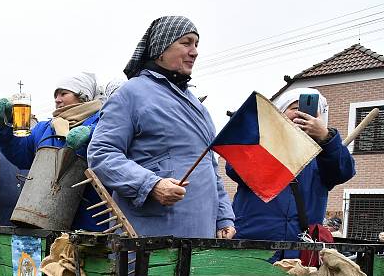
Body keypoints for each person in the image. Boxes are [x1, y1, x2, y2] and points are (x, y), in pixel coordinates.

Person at [88, 16, 235, 239]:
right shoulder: (131, 94)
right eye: (186, 43)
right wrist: (151, 185)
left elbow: (209, 166)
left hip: (201, 234)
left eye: (196, 44)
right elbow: (101, 154)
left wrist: (224, 216)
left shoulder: (198, 107)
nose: (194, 52)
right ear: (160, 49)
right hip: (150, 236)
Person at [228, 88, 355, 252]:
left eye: (310, 112)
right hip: (252, 245)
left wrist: (326, 138)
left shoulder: (324, 155)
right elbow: (234, 168)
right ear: (279, 114)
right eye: (295, 109)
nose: (302, 114)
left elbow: (343, 171)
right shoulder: (262, 144)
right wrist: (276, 139)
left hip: (300, 251)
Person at [0, 72, 104, 230]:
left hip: (90, 222)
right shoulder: (45, 128)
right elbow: (20, 155)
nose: (57, 99)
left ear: (83, 96)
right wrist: (2, 125)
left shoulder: (103, 122)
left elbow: (116, 144)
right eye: (56, 95)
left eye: (63, 93)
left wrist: (92, 133)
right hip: (42, 217)